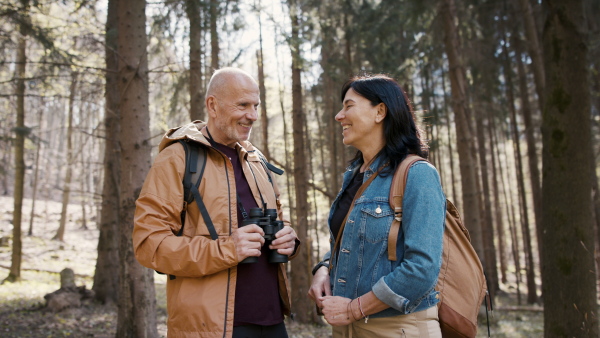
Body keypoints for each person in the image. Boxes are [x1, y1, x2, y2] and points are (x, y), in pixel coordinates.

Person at [133, 67, 299, 338]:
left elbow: (279, 216)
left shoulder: (256, 159)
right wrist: (227, 249)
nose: (253, 115)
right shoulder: (178, 158)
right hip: (211, 327)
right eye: (243, 105)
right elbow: (148, 244)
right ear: (213, 105)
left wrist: (288, 239)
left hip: (272, 321)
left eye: (256, 106)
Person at [308, 74, 446, 337]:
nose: (339, 115)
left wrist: (354, 309)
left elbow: (422, 269)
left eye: (348, 106)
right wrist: (323, 269)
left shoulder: (418, 174)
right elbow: (348, 245)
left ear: (380, 111)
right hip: (347, 328)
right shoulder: (353, 176)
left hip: (399, 328)